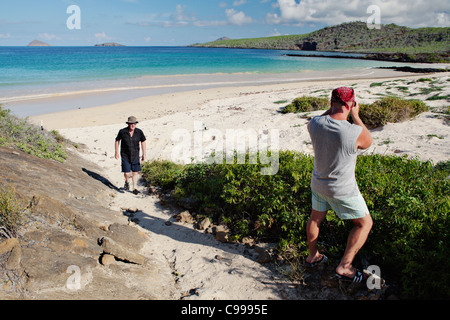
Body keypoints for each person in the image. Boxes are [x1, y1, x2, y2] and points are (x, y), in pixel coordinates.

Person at [306, 87, 373, 283]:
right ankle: (344, 266)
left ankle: (312, 256)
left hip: (318, 184)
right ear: (350, 104)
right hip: (342, 190)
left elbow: (319, 119)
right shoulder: (354, 131)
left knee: (315, 219)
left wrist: (331, 110)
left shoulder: (315, 124)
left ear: (331, 103)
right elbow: (367, 141)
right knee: (364, 223)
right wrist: (356, 115)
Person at [115, 116, 147, 195]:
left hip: (135, 155)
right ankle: (127, 182)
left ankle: (134, 188)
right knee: (126, 173)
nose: (133, 125)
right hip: (125, 155)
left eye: (134, 123)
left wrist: (144, 154)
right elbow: (117, 140)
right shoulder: (122, 131)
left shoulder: (139, 132)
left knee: (135, 172)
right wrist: (116, 152)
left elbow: (143, 142)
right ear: (128, 124)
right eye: (131, 123)